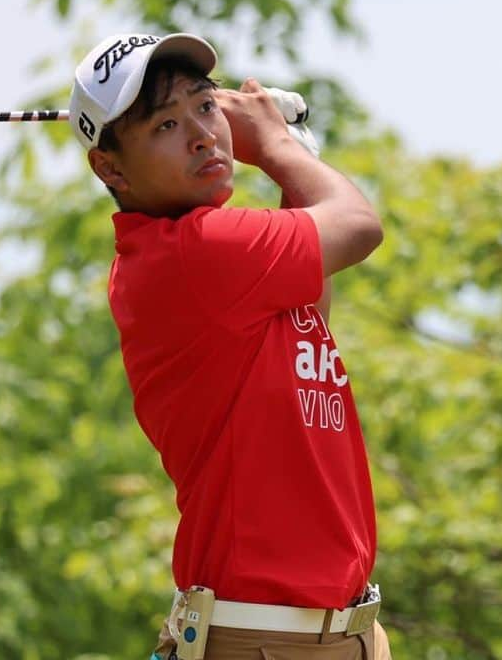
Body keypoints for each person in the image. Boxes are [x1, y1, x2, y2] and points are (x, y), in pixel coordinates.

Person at [69, 32, 391, 659]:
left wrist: (294, 149)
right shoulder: (194, 254)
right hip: (266, 640)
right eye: (164, 124)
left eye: (204, 107)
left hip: (338, 634)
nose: (201, 135)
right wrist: (271, 143)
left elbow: (309, 304)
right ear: (110, 168)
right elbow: (358, 225)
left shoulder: (215, 264)